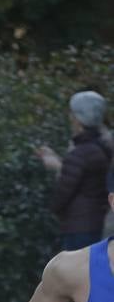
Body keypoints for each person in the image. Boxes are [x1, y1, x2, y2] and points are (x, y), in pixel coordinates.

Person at [37, 90, 112, 251]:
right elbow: (85, 178)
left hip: (80, 227)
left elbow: (64, 192)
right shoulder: (101, 147)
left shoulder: (81, 152)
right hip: (95, 223)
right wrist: (60, 164)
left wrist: (55, 209)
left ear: (78, 119)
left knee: (77, 274)